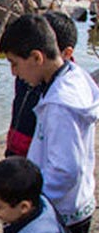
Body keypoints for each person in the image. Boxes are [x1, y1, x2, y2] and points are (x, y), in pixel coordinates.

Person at [0, 13, 99, 233]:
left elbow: (65, 170)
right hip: (76, 204)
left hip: (60, 213)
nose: (14, 72)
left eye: (15, 63)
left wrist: (25, 201)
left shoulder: (60, 105)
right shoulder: (73, 76)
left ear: (37, 57)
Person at [4, 11, 78, 159]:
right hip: (16, 146)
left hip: (34, 156)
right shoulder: (27, 72)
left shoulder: (61, 99)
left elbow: (66, 168)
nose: (14, 72)